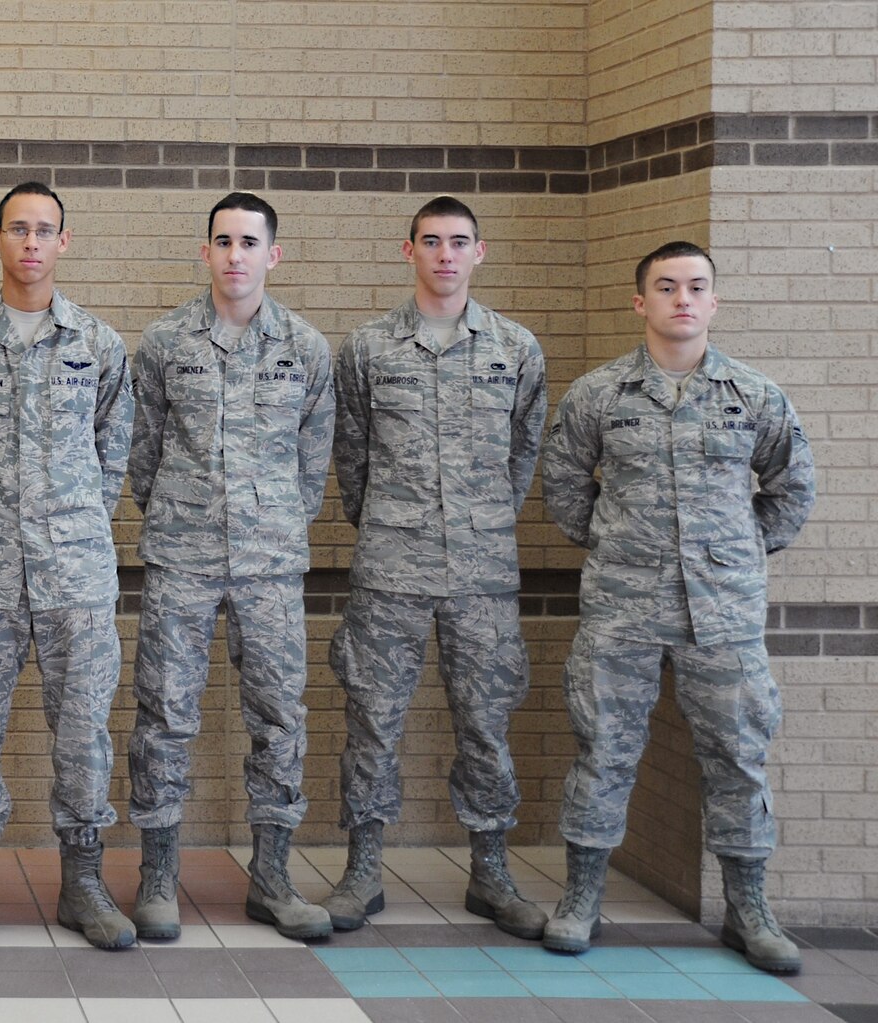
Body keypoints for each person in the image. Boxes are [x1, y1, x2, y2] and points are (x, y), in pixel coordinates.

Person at [540, 241, 813, 972]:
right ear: (642, 302)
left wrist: (739, 553)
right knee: (602, 751)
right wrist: (614, 541)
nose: (682, 299)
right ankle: (581, 897)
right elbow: (564, 484)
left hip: (723, 615)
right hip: (622, 606)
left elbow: (791, 488)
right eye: (666, 287)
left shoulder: (754, 396)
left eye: (696, 287)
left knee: (739, 757)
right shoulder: (600, 394)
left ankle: (749, 908)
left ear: (714, 302)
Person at [321, 196, 548, 937]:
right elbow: (349, 458)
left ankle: (491, 870)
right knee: (373, 722)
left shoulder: (516, 349)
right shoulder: (367, 349)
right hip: (389, 568)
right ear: (407, 250)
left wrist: (481, 523)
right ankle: (362, 870)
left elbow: (523, 457)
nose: (445, 254)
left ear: (480, 252)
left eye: (459, 242)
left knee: (486, 724)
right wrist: (392, 521)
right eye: (431, 241)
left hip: (482, 575)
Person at [0, 183, 135, 951]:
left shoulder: (99, 346)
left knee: (83, 730)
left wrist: (76, 527)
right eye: (19, 229)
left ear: (64, 242)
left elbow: (116, 455)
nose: (32, 243)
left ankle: (83, 883)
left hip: (76, 575)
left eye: (46, 230)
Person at [125, 192, 335, 941]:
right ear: (206, 252)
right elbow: (140, 454)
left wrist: (271, 522)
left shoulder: (305, 350)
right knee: (165, 716)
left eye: (250, 242)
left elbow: (314, 465)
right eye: (223, 241)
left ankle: (272, 876)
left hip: (272, 565)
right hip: (181, 556)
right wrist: (184, 513)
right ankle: (157, 876)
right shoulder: (163, 344)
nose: (236, 254)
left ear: (273, 254)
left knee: (279, 717)